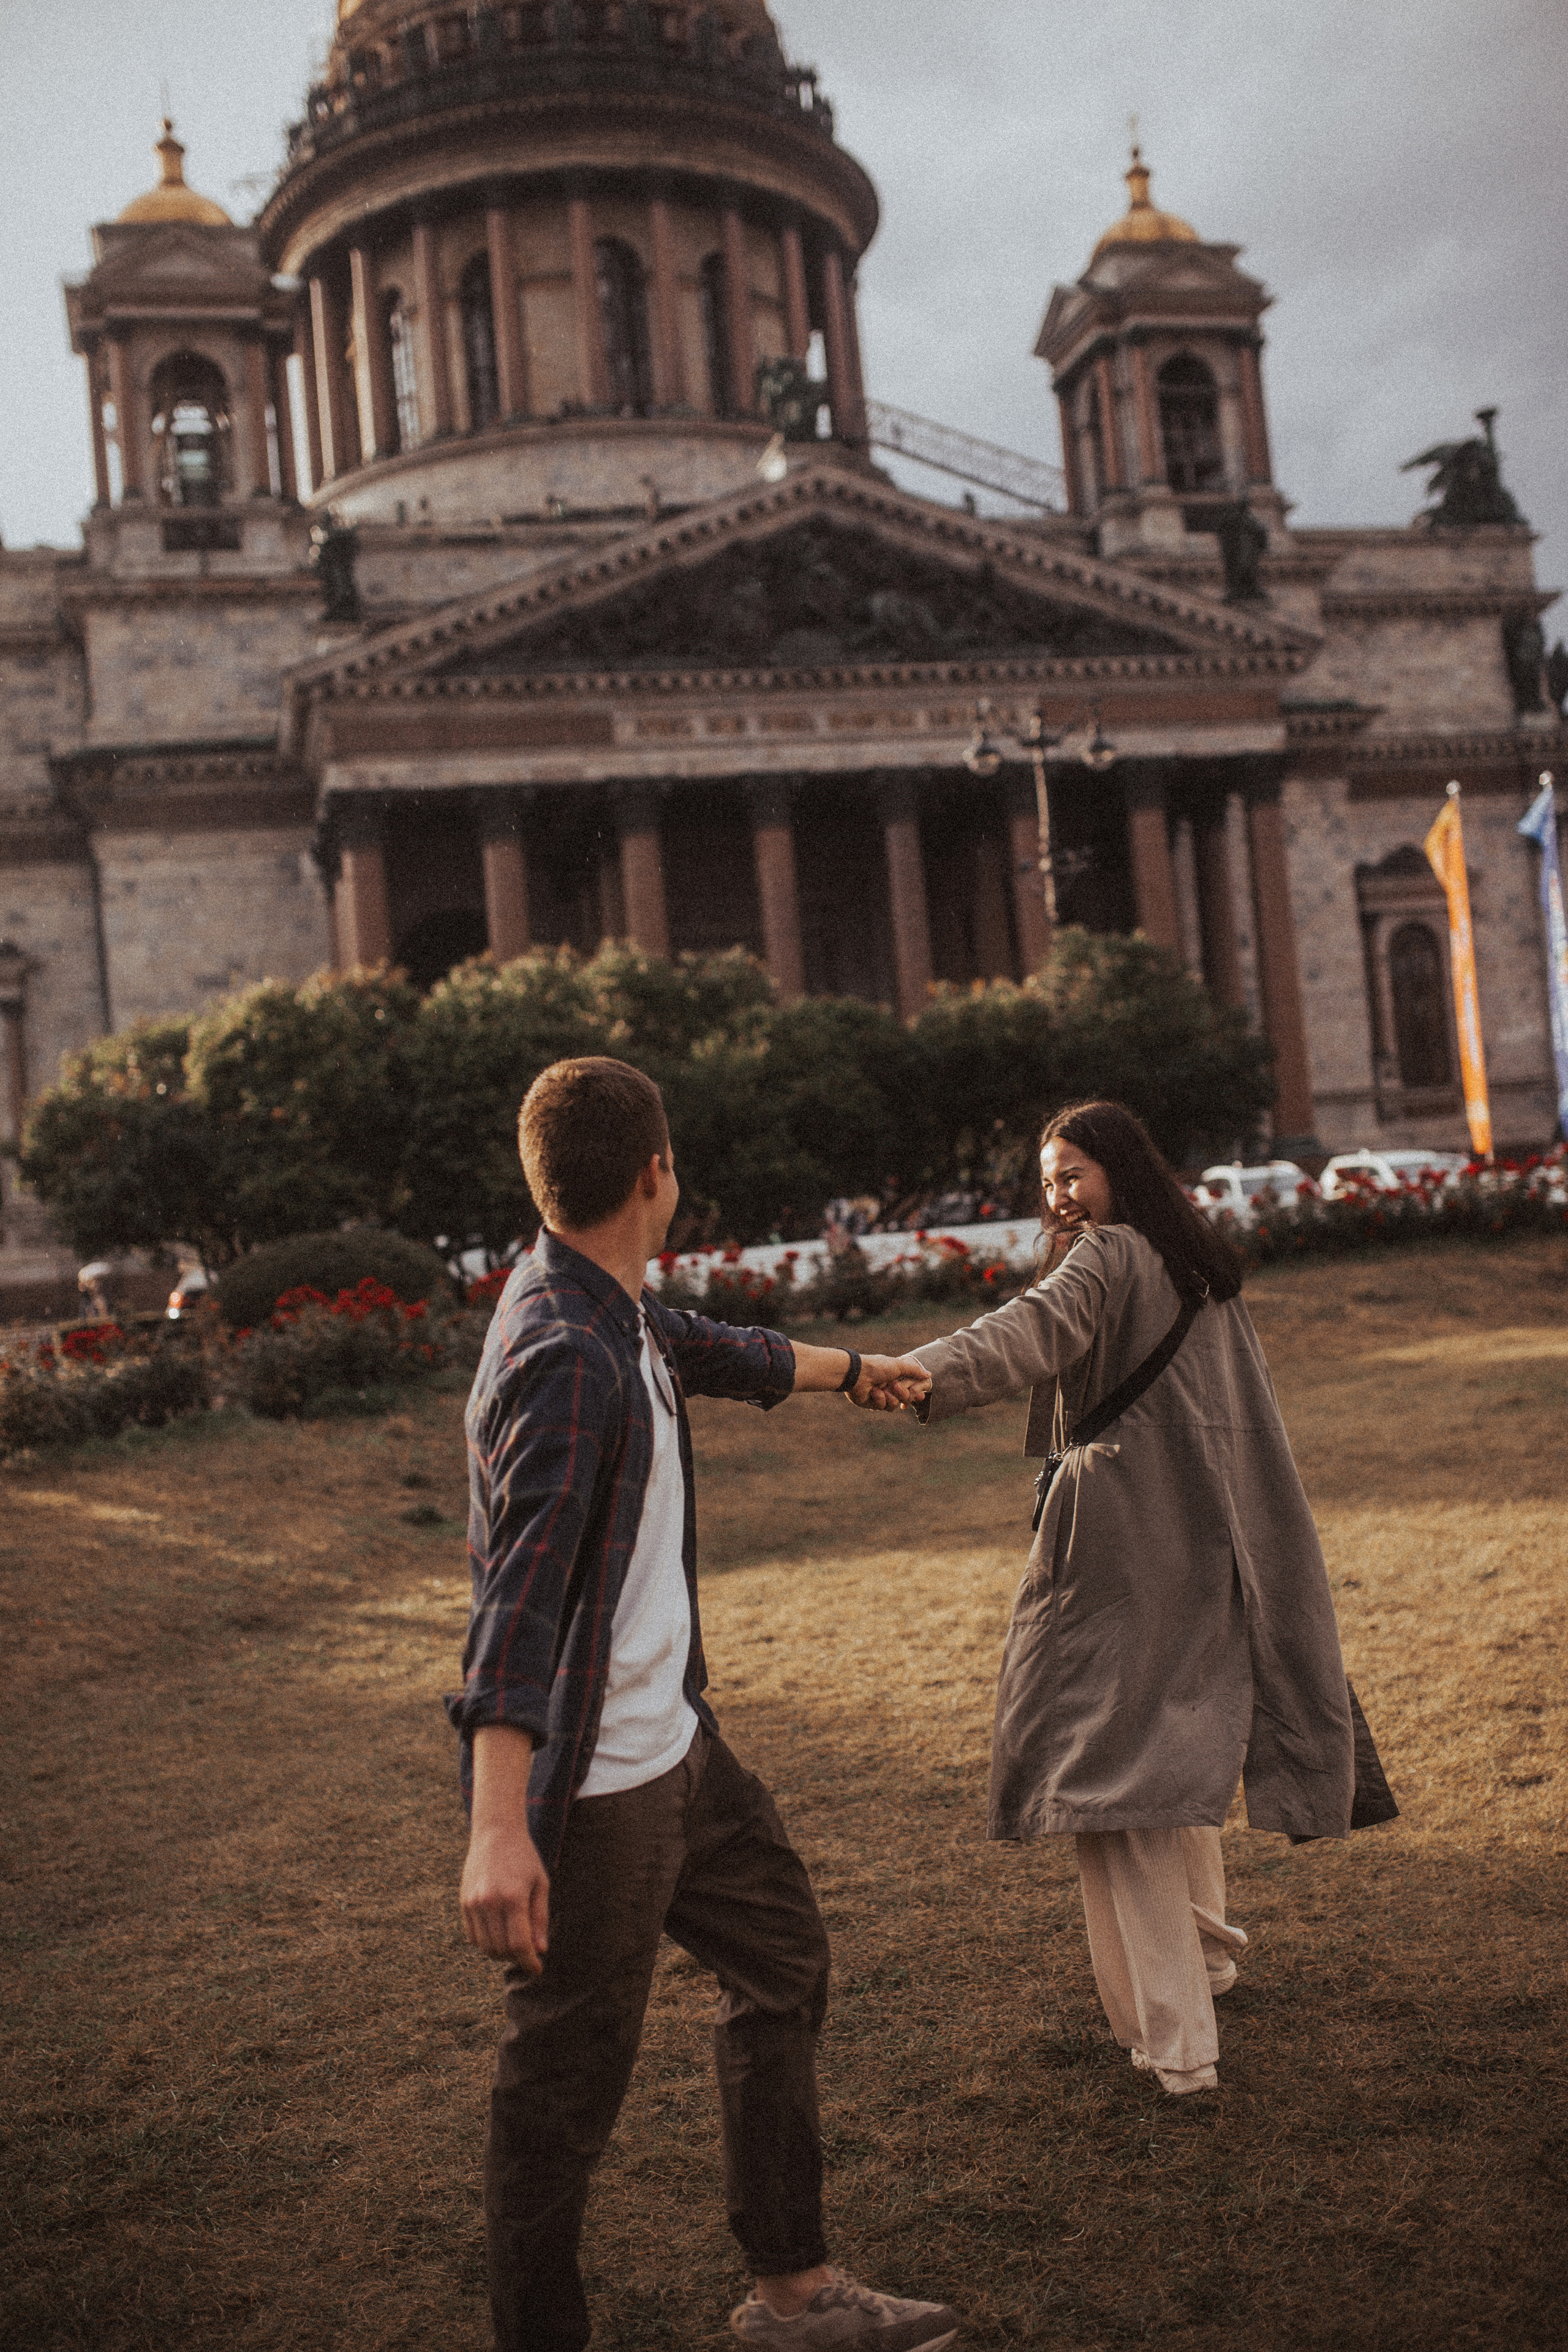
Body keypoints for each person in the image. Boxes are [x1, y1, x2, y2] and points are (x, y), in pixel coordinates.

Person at [448, 1057, 955, 2352]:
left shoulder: (606, 1304)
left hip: (680, 1750)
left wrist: (855, 1372)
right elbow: (516, 1601)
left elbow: (718, 1351)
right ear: (656, 1173)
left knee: (779, 1963)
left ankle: (792, 2298)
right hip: (602, 1791)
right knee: (557, 2099)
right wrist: (498, 1827)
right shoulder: (564, 1352)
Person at [872, 1100, 1393, 2097]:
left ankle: (1175, 2042)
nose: (1058, 1195)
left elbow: (1027, 1331)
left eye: (1073, 1173)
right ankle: (1209, 1964)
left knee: (1115, 1786)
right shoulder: (1192, 1257)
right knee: (1174, 1750)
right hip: (1214, 1538)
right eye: (1049, 1179)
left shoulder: (1108, 1255)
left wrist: (913, 1372)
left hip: (1128, 1546)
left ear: (1119, 1172)